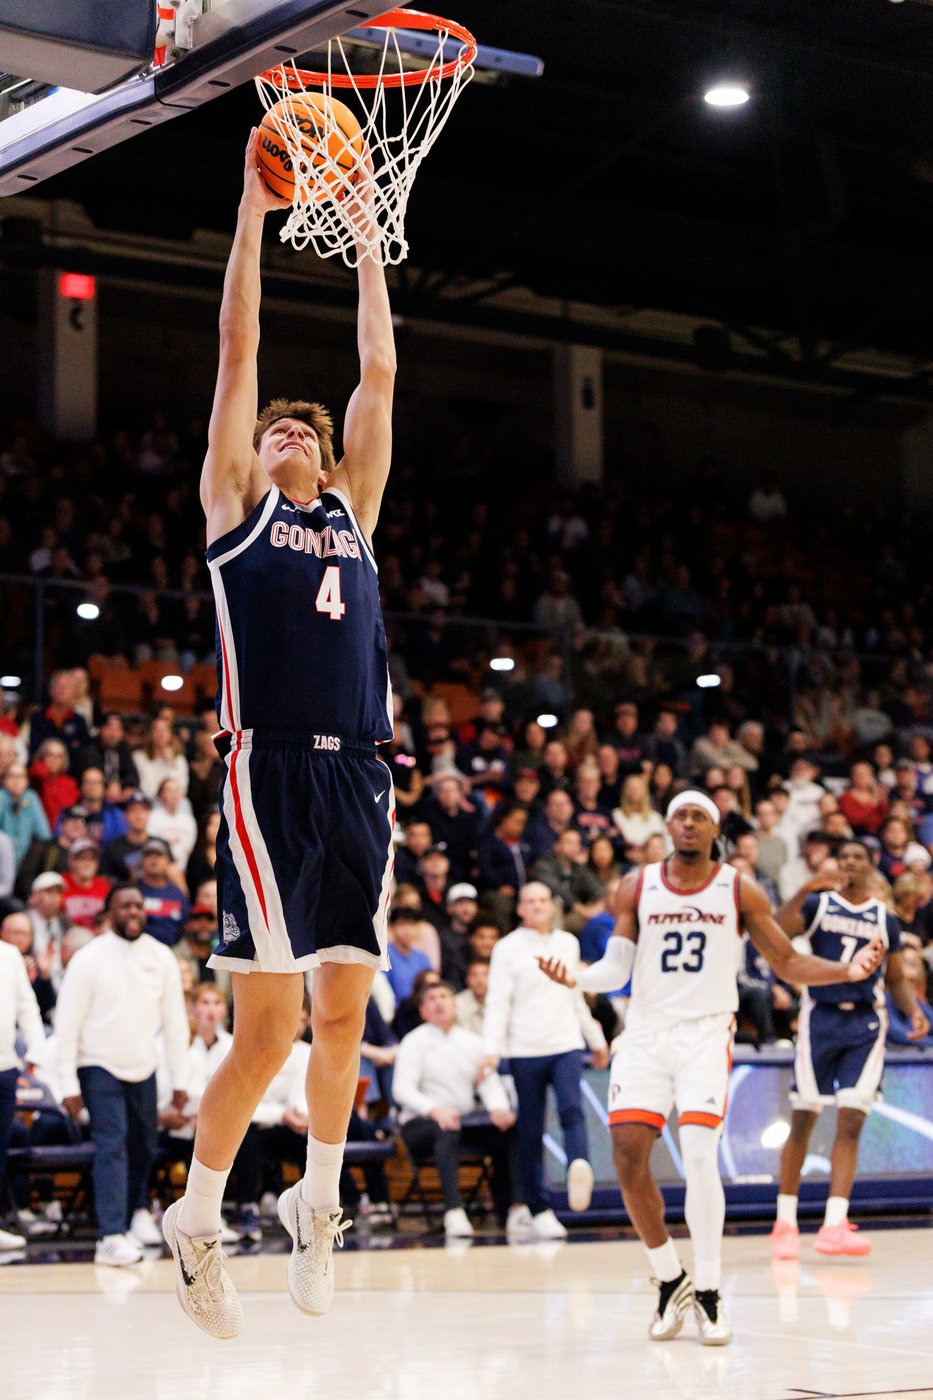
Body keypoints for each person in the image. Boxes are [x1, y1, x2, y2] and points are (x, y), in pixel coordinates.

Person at [161, 130, 397, 1340]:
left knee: (347, 1012)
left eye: (303, 430)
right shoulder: (235, 511)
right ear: (252, 460)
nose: (289, 434)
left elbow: (375, 375)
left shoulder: (355, 510)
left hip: (361, 776)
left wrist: (365, 238)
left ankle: (317, 1198)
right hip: (267, 774)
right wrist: (254, 217)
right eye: (275, 433)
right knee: (271, 1028)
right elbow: (239, 347)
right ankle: (197, 1215)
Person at [537, 791, 883, 1346]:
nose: (690, 823)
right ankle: (671, 1277)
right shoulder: (638, 883)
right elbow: (616, 967)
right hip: (647, 1032)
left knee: (698, 1154)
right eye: (681, 815)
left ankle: (711, 1291)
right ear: (669, 825)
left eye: (700, 815)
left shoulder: (738, 887)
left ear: (714, 827)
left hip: (705, 1032)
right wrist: (576, 976)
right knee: (628, 1155)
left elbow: (787, 961)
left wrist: (845, 970)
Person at [770, 841, 928, 1260]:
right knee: (803, 1117)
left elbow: (895, 977)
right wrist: (806, 887)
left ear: (871, 867)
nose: (850, 863)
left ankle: (834, 1224)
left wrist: (913, 1010)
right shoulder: (819, 905)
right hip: (819, 1017)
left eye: (858, 857)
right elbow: (777, 932)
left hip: (864, 1022)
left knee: (852, 1120)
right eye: (844, 858)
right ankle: (785, 1222)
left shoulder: (883, 918)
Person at [55, 884, 190, 1266]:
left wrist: (179, 1081)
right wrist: (67, 1083)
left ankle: (133, 1216)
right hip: (97, 1065)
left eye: (138, 906)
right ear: (109, 912)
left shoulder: (160, 956)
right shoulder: (89, 958)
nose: (133, 911)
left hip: (143, 1067)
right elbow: (67, 1025)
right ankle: (109, 1236)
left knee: (144, 1145)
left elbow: (175, 1024)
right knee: (111, 1145)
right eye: (124, 906)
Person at [483, 881, 609, 1240]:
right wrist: (491, 1050)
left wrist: (596, 1040)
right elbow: (497, 1001)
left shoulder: (567, 943)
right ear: (519, 908)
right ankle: (539, 1209)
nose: (537, 906)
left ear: (553, 906)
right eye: (529, 901)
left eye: (542, 900)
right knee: (530, 1129)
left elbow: (576, 996)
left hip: (565, 1042)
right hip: (523, 1048)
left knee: (572, 1109)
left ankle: (579, 1167)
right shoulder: (507, 949)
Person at [394, 980, 518, 1237]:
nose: (438, 1002)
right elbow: (402, 1090)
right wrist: (434, 1109)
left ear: (455, 1005)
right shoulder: (413, 1041)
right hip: (420, 1124)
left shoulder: (473, 1042)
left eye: (444, 996)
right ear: (423, 1010)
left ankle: (515, 1211)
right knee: (446, 1129)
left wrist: (498, 1108)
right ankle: (454, 1212)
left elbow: (488, 1082)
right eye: (431, 999)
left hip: (465, 1121)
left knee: (507, 1133)